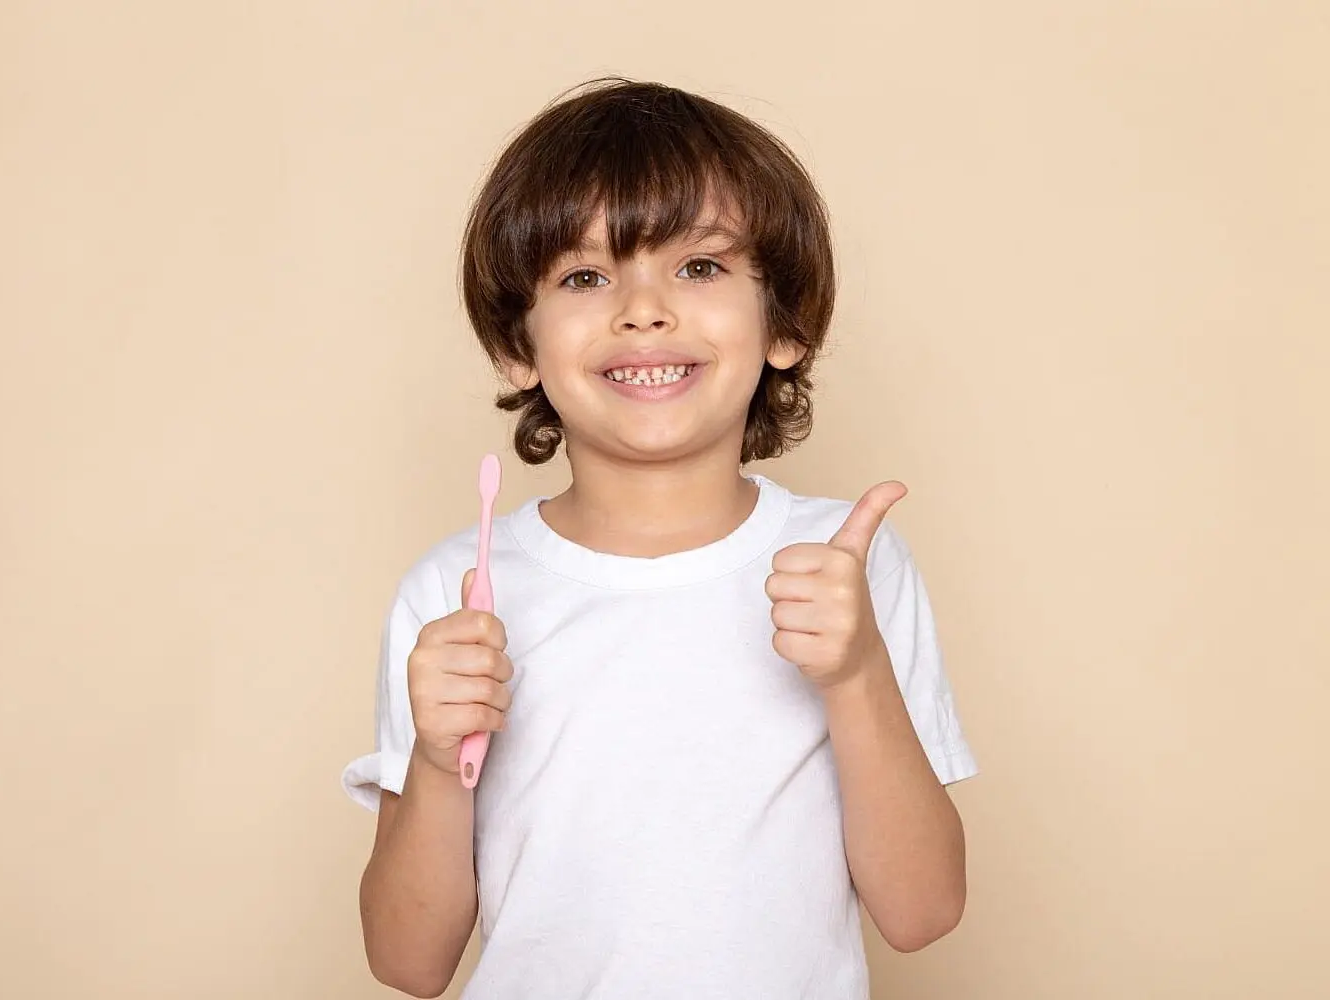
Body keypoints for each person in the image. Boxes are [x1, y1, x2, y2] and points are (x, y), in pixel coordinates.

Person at [341, 77, 978, 1000]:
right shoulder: (457, 591)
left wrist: (855, 674)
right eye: (585, 277)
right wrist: (439, 766)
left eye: (699, 267)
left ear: (784, 325)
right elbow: (408, 964)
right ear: (518, 347)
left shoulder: (845, 567)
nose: (643, 310)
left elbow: (922, 913)